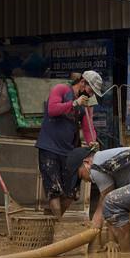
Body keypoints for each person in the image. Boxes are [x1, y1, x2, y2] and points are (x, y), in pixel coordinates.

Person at [36, 69, 101, 219]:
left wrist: (92, 141)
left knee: (72, 192)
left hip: (69, 151)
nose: (92, 94)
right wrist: (73, 103)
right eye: (91, 90)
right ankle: (56, 226)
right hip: (49, 147)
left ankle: (54, 220)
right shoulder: (61, 89)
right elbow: (52, 110)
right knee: (54, 190)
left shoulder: (88, 102)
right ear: (83, 82)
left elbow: (87, 125)